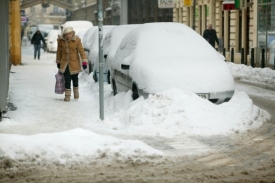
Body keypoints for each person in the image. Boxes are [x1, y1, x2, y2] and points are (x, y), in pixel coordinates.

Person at [56, 26, 88, 102]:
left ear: (72, 33)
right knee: (67, 80)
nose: (68, 36)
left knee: (75, 80)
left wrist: (84, 61)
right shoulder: (61, 41)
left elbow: (81, 51)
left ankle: (76, 93)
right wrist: (58, 62)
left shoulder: (77, 40)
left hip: (74, 63)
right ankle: (67, 96)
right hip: (65, 64)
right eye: (66, 34)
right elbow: (59, 52)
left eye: (69, 34)